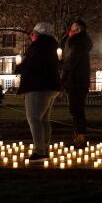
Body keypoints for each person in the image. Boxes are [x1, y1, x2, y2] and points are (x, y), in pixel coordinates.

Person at [16, 22, 61, 161]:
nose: (31, 35)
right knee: (44, 119)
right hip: (51, 86)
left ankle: (39, 150)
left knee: (34, 118)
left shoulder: (39, 47)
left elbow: (34, 65)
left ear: (39, 34)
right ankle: (44, 148)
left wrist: (20, 67)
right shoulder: (51, 46)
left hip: (38, 87)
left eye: (33, 33)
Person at [61, 17, 92, 146]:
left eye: (73, 28)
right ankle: (79, 135)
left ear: (78, 29)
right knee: (76, 109)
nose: (70, 30)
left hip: (76, 81)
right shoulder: (79, 42)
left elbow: (72, 61)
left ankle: (80, 137)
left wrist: (61, 64)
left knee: (77, 109)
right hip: (78, 81)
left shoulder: (78, 43)